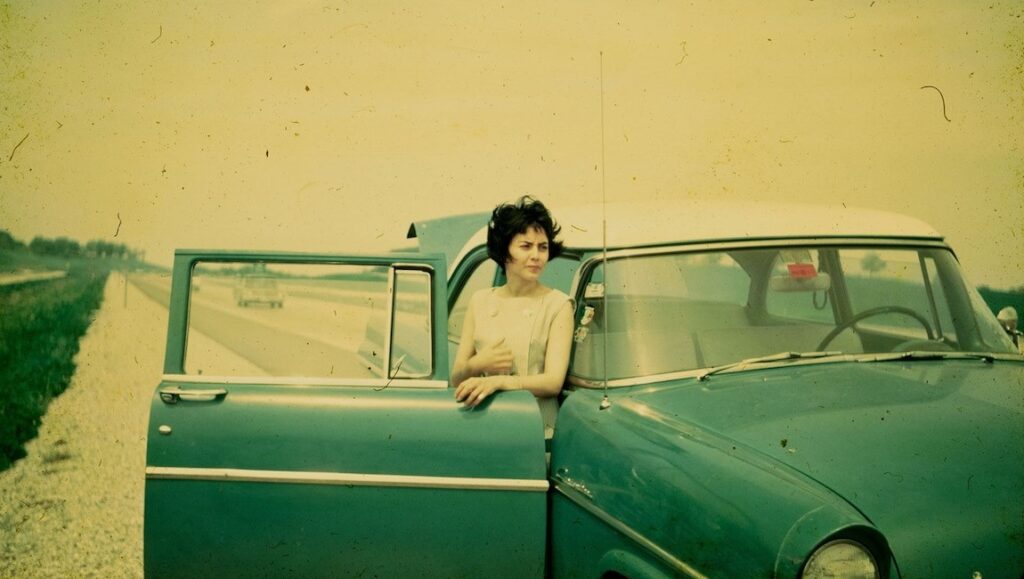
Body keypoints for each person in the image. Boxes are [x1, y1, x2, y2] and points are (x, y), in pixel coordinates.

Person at [452, 197, 574, 430]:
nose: (536, 256)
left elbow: (552, 382)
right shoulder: (480, 301)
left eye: (543, 247)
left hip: (536, 428)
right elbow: (457, 378)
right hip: (483, 423)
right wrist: (479, 363)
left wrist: (499, 381)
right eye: (526, 246)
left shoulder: (558, 305)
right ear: (504, 249)